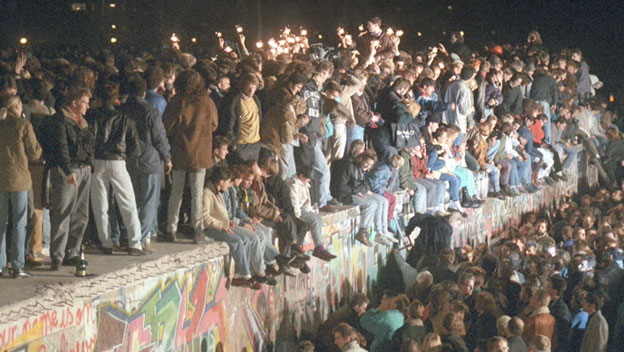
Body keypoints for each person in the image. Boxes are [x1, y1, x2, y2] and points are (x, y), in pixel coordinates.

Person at [89, 80, 147, 256]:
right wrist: (127, 159)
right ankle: (134, 243)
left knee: (100, 205)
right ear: (116, 98)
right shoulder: (125, 119)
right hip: (118, 162)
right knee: (128, 203)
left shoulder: (93, 117)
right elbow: (135, 148)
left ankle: (106, 242)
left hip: (98, 162)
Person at [163, 69, 218, 243]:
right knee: (197, 193)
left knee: (176, 192)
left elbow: (167, 125)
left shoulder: (177, 101)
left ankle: (171, 229)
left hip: (180, 151)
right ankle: (198, 230)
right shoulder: (208, 102)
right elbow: (215, 125)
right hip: (200, 153)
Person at [121, 75, 172, 251]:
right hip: (149, 160)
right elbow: (159, 137)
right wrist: (167, 157)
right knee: (149, 201)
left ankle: (130, 235)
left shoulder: (123, 110)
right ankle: (141, 239)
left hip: (128, 160)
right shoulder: (150, 110)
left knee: (132, 201)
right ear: (144, 92)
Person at [45, 87, 94, 271]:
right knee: (63, 213)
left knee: (81, 214)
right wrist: (67, 171)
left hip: (83, 170)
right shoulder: (60, 121)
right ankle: (57, 256)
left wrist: (89, 164)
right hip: (69, 170)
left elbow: (89, 144)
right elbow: (61, 147)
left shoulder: (82, 122)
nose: (88, 106)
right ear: (74, 103)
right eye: (85, 102)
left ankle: (72, 252)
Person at [203, 167, 272, 289]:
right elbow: (205, 218)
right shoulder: (207, 193)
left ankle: (248, 273)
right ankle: (242, 275)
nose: (229, 184)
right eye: (228, 181)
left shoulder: (218, 192)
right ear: (221, 182)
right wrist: (222, 225)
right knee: (237, 241)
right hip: (210, 229)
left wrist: (228, 222)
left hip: (224, 225)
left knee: (248, 239)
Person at [0, 95, 42, 278]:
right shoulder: (23, 125)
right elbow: (34, 153)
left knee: (1, 223)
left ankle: (0, 265)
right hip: (19, 181)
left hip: (1, 181)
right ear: (17, 107)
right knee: (19, 223)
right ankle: (17, 265)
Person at [286, 165, 337, 261]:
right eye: (307, 179)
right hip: (294, 210)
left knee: (318, 219)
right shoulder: (293, 185)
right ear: (301, 176)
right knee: (314, 221)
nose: (308, 181)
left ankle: (319, 247)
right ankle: (319, 248)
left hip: (303, 209)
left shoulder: (303, 183)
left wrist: (312, 211)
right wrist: (298, 218)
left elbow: (306, 203)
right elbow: (294, 205)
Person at [217, 73, 262, 162]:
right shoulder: (233, 100)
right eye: (249, 87)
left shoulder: (255, 99)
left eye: (254, 88)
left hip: (255, 144)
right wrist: (233, 144)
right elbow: (228, 123)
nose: (251, 91)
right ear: (243, 86)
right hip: (241, 145)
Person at [546, 275, 571, 352]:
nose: (545, 287)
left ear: (554, 291)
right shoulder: (550, 304)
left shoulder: (561, 311)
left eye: (548, 286)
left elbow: (561, 338)